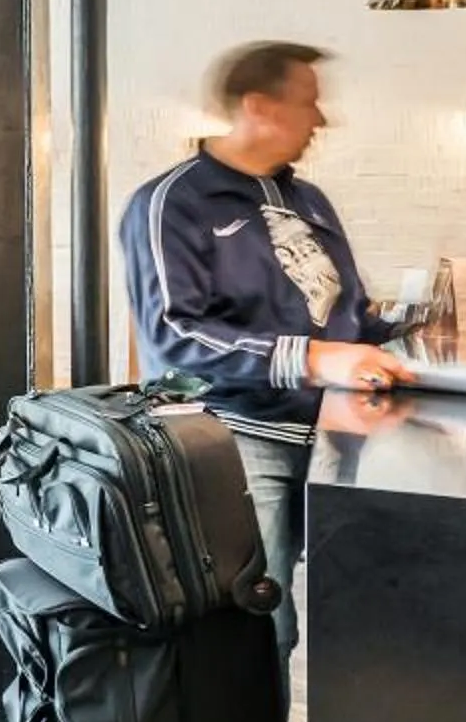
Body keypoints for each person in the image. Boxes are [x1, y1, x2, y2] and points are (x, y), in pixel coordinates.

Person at [120, 42, 412, 663]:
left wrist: (403, 333)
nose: (321, 121)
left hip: (330, 436)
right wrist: (313, 358)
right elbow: (174, 336)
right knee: (258, 628)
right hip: (238, 439)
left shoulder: (309, 201)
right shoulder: (172, 201)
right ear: (259, 106)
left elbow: (345, 316)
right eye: (309, 103)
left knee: (345, 616)